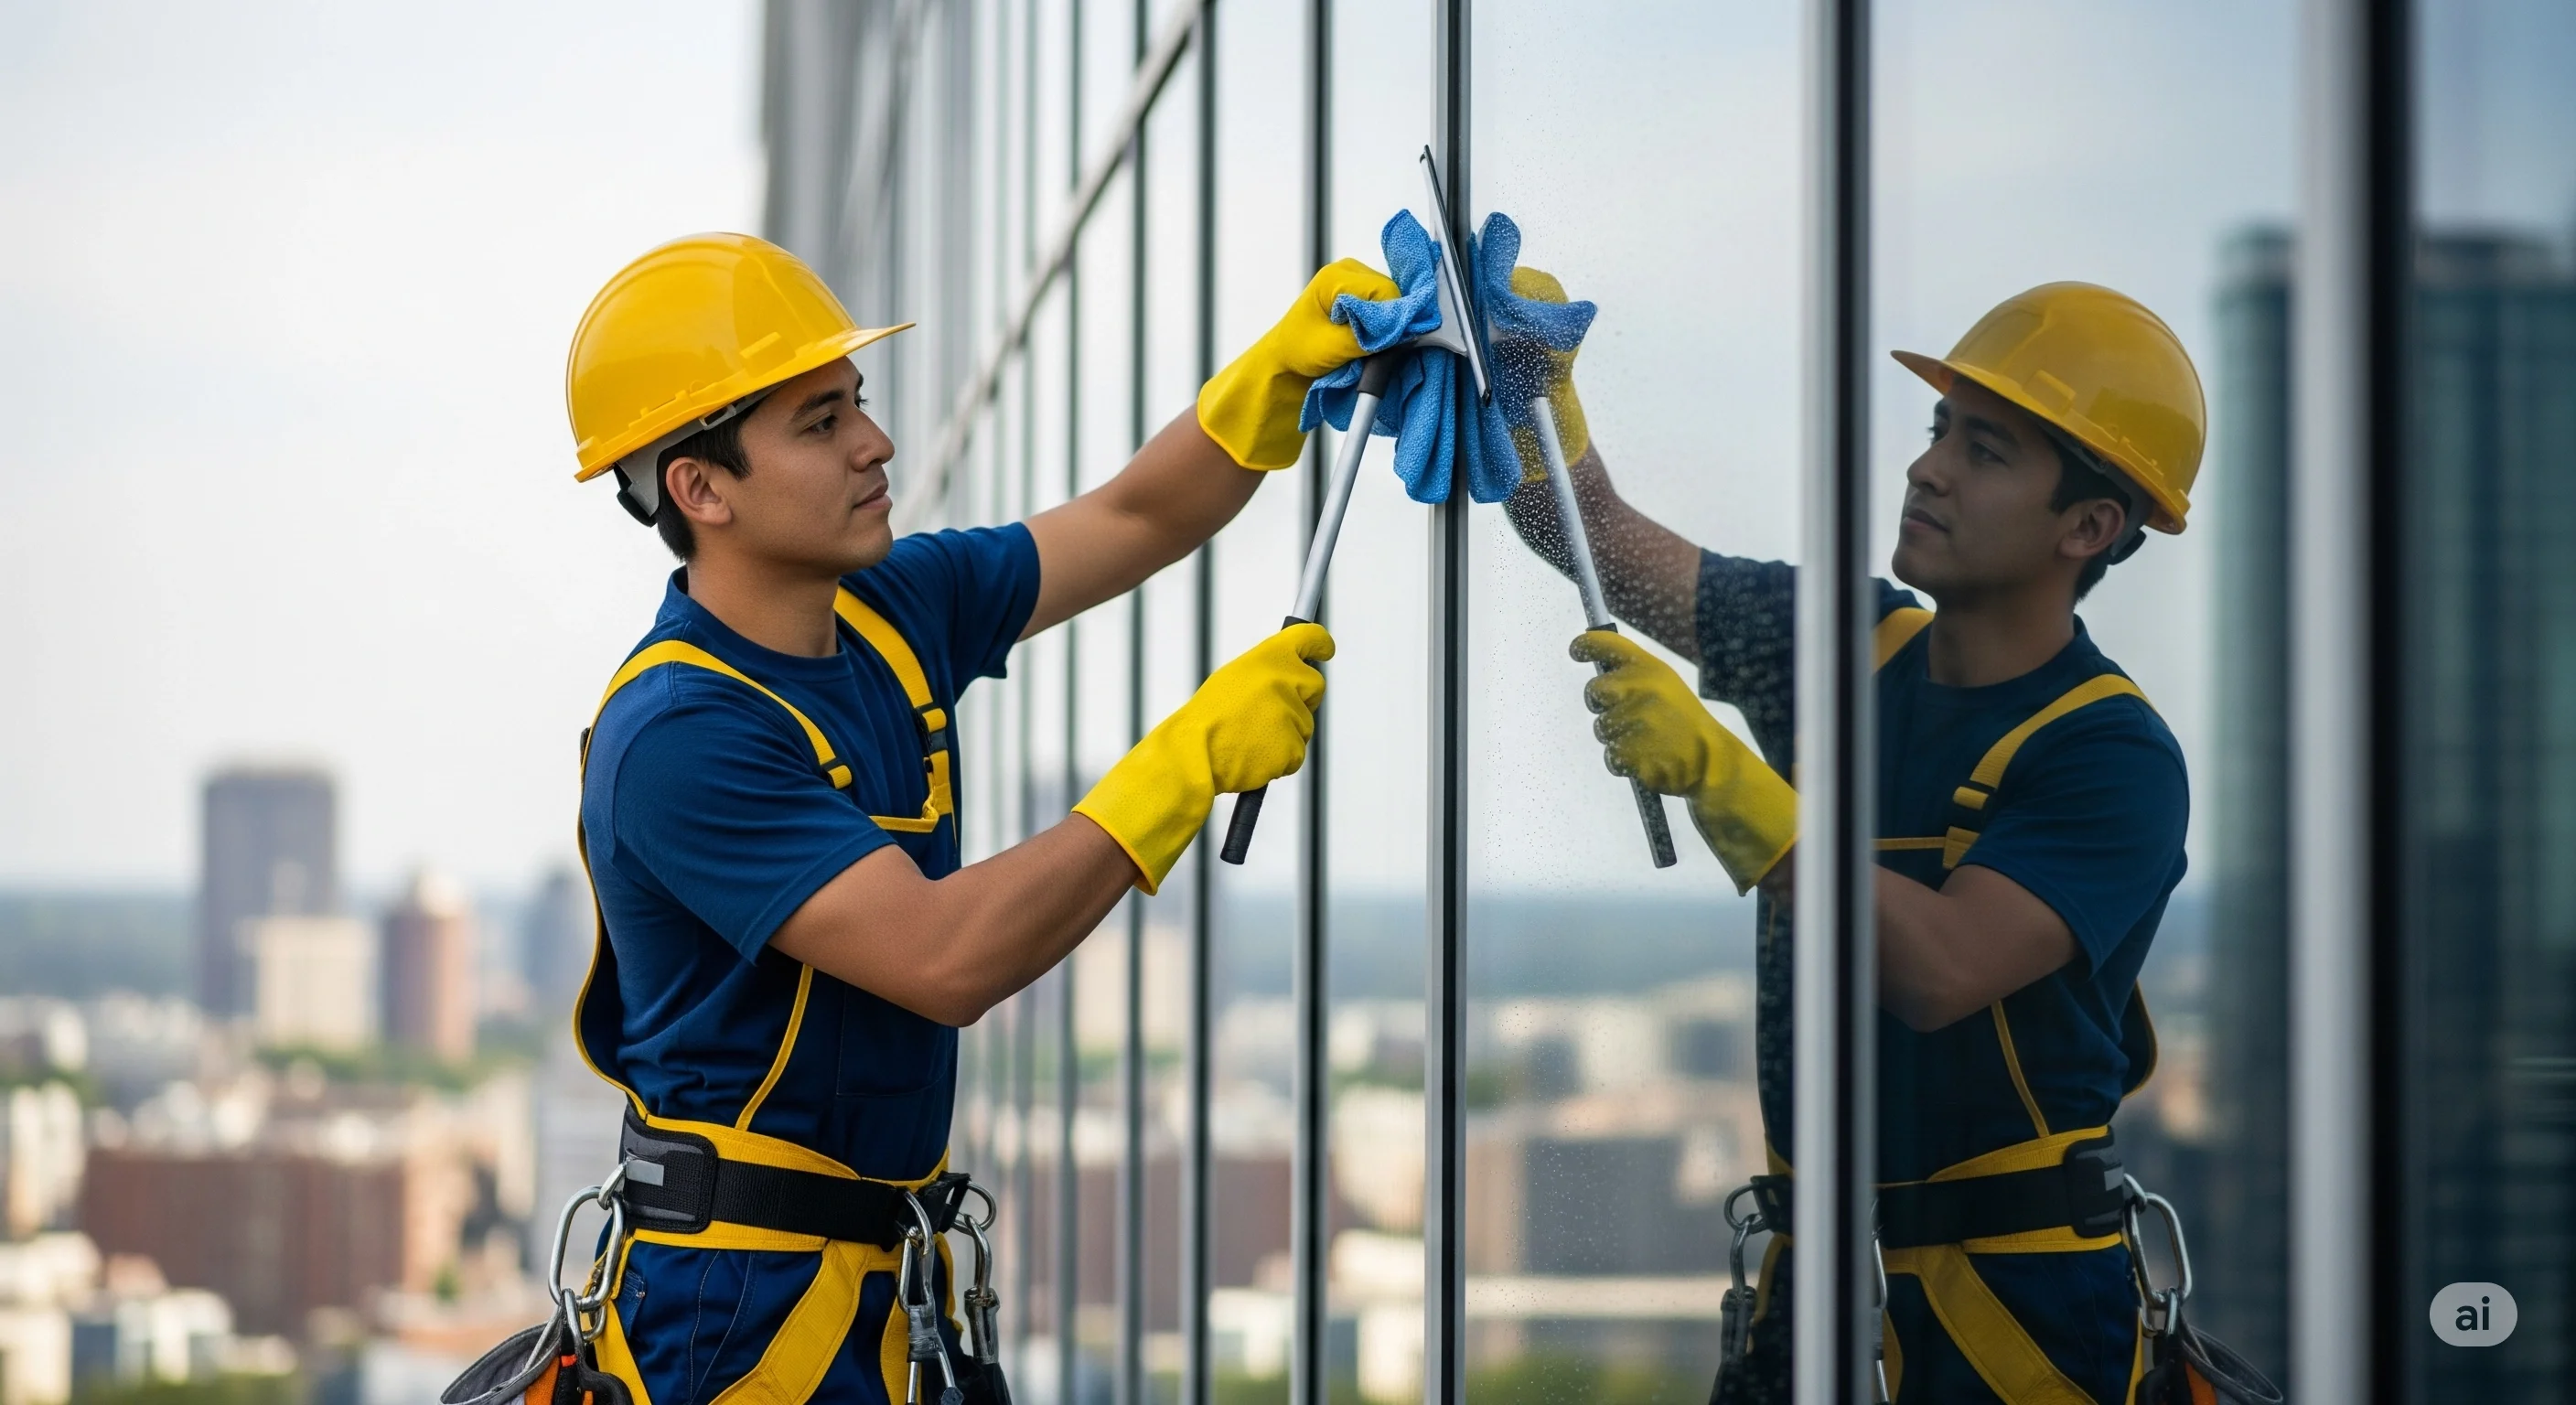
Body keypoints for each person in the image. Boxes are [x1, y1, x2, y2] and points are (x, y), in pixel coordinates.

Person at [560, 233, 1390, 1404]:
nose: (874, 443)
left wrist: (1276, 382)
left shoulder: (890, 608)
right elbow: (944, 958)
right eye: (818, 423)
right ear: (700, 489)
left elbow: (1133, 519)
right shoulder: (681, 737)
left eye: (856, 403)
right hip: (731, 1324)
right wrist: (1179, 768)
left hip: (877, 1289)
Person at [1505, 279, 2205, 1402]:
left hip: (2011, 1320)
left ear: (2086, 527)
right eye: (1938, 431)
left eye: (1984, 451)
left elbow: (1936, 969)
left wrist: (1728, 782)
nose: (1927, 467)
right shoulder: (1840, 642)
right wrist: (1522, 394)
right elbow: (1595, 542)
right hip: (1814, 1294)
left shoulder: (2109, 757)